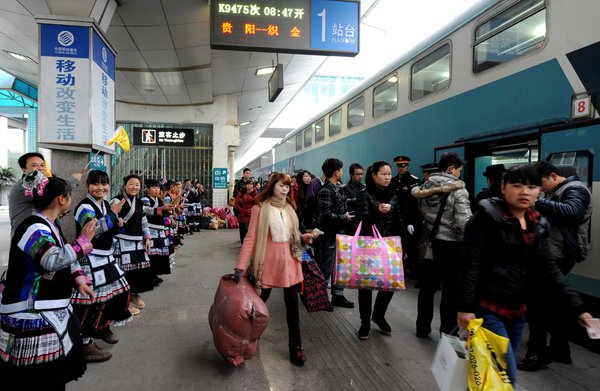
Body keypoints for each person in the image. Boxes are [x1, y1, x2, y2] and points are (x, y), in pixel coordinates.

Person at [456, 164, 594, 385]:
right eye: (517, 185)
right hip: (487, 308)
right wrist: (465, 307)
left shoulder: (537, 224)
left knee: (489, 377)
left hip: (517, 312)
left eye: (531, 186)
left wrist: (578, 307)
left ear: (540, 191)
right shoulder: (485, 218)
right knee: (505, 374)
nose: (524, 192)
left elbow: (550, 270)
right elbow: (469, 264)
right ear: (503, 187)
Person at [0, 174, 96, 389]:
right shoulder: (34, 227)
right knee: (40, 379)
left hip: (49, 308)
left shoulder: (48, 225)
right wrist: (83, 242)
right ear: (62, 199)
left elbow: (62, 258)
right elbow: (52, 259)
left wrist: (78, 280)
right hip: (31, 310)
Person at [233, 173, 319, 366]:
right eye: (281, 185)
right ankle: (245, 342)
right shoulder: (259, 209)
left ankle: (295, 348)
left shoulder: (289, 208)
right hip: (267, 265)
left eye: (287, 187)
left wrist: (304, 237)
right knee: (256, 305)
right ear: (272, 186)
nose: (285, 189)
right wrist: (240, 266)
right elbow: (251, 239)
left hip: (290, 263)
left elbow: (293, 234)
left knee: (292, 307)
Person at [518, 161, 593, 371]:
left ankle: (536, 353)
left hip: (560, 254)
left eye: (540, 184)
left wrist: (537, 203)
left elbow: (572, 211)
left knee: (538, 306)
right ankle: (560, 350)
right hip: (553, 252)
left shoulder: (576, 189)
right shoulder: (556, 191)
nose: (539, 189)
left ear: (552, 176)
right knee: (555, 306)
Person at [72, 170, 132, 362]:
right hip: (89, 258)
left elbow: (110, 227)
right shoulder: (84, 207)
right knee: (90, 303)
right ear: (87, 186)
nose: (101, 188)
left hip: (106, 256)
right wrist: (113, 216)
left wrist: (118, 222)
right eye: (96, 184)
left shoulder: (105, 204)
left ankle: (102, 326)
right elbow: (94, 230)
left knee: (117, 294)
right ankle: (85, 343)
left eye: (104, 184)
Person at [411, 152, 472, 336]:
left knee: (427, 288)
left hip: (430, 244)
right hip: (450, 246)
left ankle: (422, 328)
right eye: (459, 170)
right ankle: (447, 331)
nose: (459, 174)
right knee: (449, 291)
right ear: (451, 169)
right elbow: (464, 224)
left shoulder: (424, 186)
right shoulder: (458, 190)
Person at [355, 161, 403, 340]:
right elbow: (361, 221)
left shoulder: (393, 195)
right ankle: (365, 323)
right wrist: (377, 211)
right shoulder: (364, 195)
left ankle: (378, 315)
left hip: (390, 245)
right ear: (373, 175)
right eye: (383, 174)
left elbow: (398, 218)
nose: (387, 177)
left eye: (389, 174)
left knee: (389, 283)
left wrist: (402, 244)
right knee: (366, 286)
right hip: (369, 246)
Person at [8, 152, 82, 238]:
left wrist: (56, 211)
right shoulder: (23, 185)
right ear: (24, 170)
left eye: (43, 165)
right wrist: (72, 180)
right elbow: (55, 190)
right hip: (28, 238)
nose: (40, 168)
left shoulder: (40, 186)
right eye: (34, 165)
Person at [111, 175, 153, 315]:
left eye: (137, 184)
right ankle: (125, 301)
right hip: (122, 242)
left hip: (138, 241)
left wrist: (147, 238)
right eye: (131, 184)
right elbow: (111, 218)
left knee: (137, 272)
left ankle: (134, 295)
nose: (134, 187)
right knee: (124, 272)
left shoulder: (140, 202)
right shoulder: (117, 200)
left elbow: (144, 221)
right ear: (125, 185)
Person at [317, 158, 355, 308]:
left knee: (339, 268)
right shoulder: (325, 190)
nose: (342, 172)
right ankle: (320, 298)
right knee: (326, 268)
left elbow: (341, 205)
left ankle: (338, 296)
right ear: (336, 172)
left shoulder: (337, 188)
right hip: (328, 236)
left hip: (340, 234)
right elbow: (325, 215)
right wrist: (344, 217)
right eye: (341, 170)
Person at [390, 155, 421, 278]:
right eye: (399, 166)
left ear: (408, 166)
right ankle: (397, 268)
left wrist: (411, 221)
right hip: (395, 219)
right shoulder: (392, 181)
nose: (401, 168)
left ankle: (411, 270)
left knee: (411, 245)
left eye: (404, 166)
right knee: (396, 244)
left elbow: (415, 204)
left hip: (408, 219)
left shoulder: (414, 181)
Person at [141, 179, 174, 286]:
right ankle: (150, 276)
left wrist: (168, 210)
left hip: (160, 229)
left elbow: (163, 212)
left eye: (158, 188)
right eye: (154, 187)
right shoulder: (145, 199)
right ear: (148, 189)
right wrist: (161, 208)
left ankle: (155, 274)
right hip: (150, 229)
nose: (157, 190)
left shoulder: (159, 199)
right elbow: (145, 210)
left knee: (158, 255)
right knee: (151, 254)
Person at [343, 163, 365, 233]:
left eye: (362, 174)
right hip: (353, 224)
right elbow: (345, 204)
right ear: (351, 174)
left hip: (364, 222)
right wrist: (358, 200)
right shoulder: (346, 188)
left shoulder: (364, 187)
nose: (361, 176)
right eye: (358, 174)